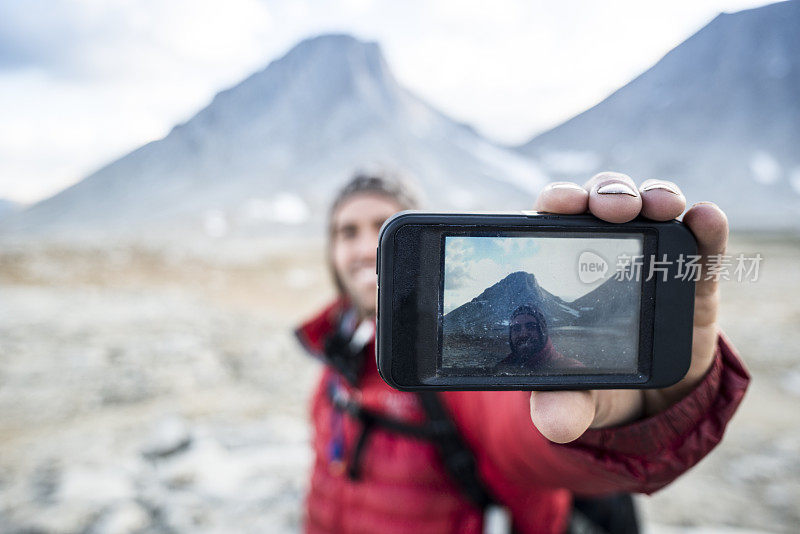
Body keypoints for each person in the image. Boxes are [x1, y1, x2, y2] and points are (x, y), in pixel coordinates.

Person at [294, 171, 750, 534]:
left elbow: (524, 439)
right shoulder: (339, 347)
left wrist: (640, 421)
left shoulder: (447, 369)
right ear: (331, 251)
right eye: (346, 231)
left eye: (381, 227)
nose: (365, 247)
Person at [495, 304, 582, 371]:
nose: (523, 334)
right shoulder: (502, 368)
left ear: (542, 331)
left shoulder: (569, 369)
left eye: (531, 326)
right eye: (516, 328)